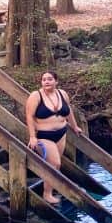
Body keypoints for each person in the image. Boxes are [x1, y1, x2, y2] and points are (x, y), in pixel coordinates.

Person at [25, 70, 82, 204]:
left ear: (56, 81)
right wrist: (32, 137)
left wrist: (74, 126)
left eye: (50, 79)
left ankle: (53, 187)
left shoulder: (62, 94)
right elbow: (29, 116)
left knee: (55, 166)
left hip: (61, 133)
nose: (46, 82)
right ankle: (47, 194)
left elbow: (69, 111)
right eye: (44, 79)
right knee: (55, 163)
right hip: (44, 136)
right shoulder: (36, 96)